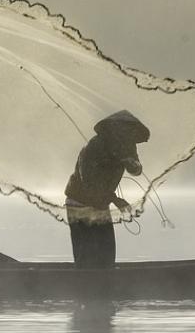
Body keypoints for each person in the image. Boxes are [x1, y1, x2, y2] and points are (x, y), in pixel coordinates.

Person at [64, 109, 150, 265]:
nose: (127, 135)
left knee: (107, 254)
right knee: (87, 256)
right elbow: (89, 181)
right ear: (113, 128)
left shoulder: (127, 146)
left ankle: (103, 280)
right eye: (123, 130)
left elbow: (136, 170)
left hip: (101, 203)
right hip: (79, 203)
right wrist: (115, 199)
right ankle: (85, 282)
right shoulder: (95, 145)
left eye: (130, 132)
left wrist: (131, 163)